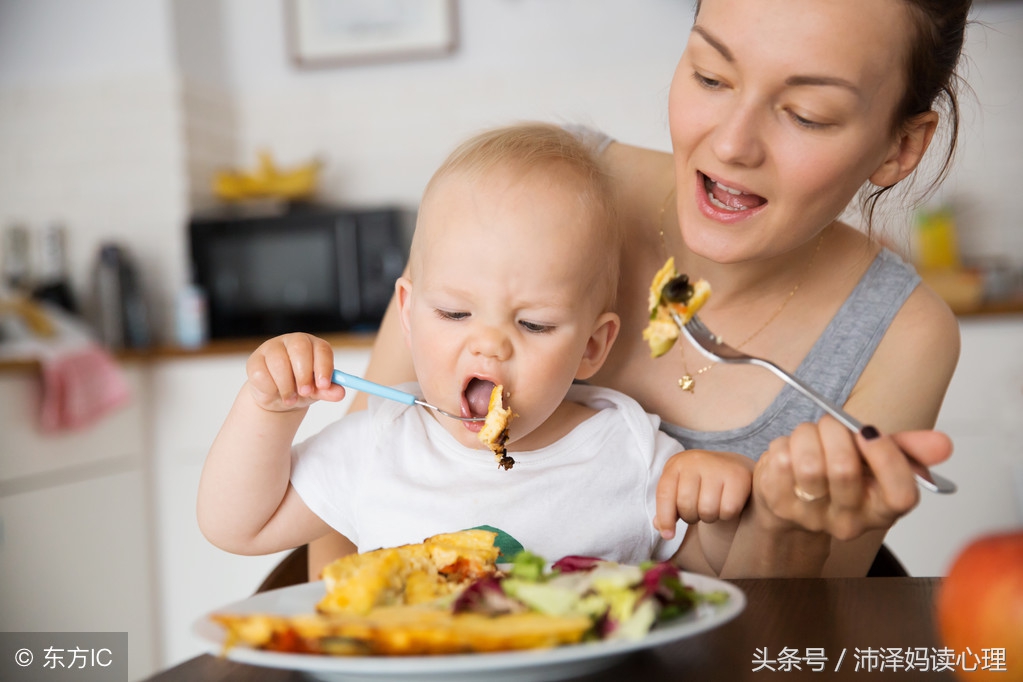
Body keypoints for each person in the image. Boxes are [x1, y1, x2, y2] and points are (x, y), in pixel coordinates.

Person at [309, 0, 969, 579]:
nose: (732, 144)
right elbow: (345, 508)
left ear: (899, 148)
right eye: (710, 75)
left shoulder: (901, 335)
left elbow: (787, 636)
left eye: (806, 114)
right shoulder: (532, 191)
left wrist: (781, 528)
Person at [196, 123, 752, 566]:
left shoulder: (628, 451)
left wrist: (718, 514)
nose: (488, 347)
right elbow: (237, 526)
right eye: (454, 312)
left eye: (533, 324)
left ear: (592, 346)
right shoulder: (380, 445)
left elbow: (706, 581)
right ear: (409, 314)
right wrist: (269, 409)